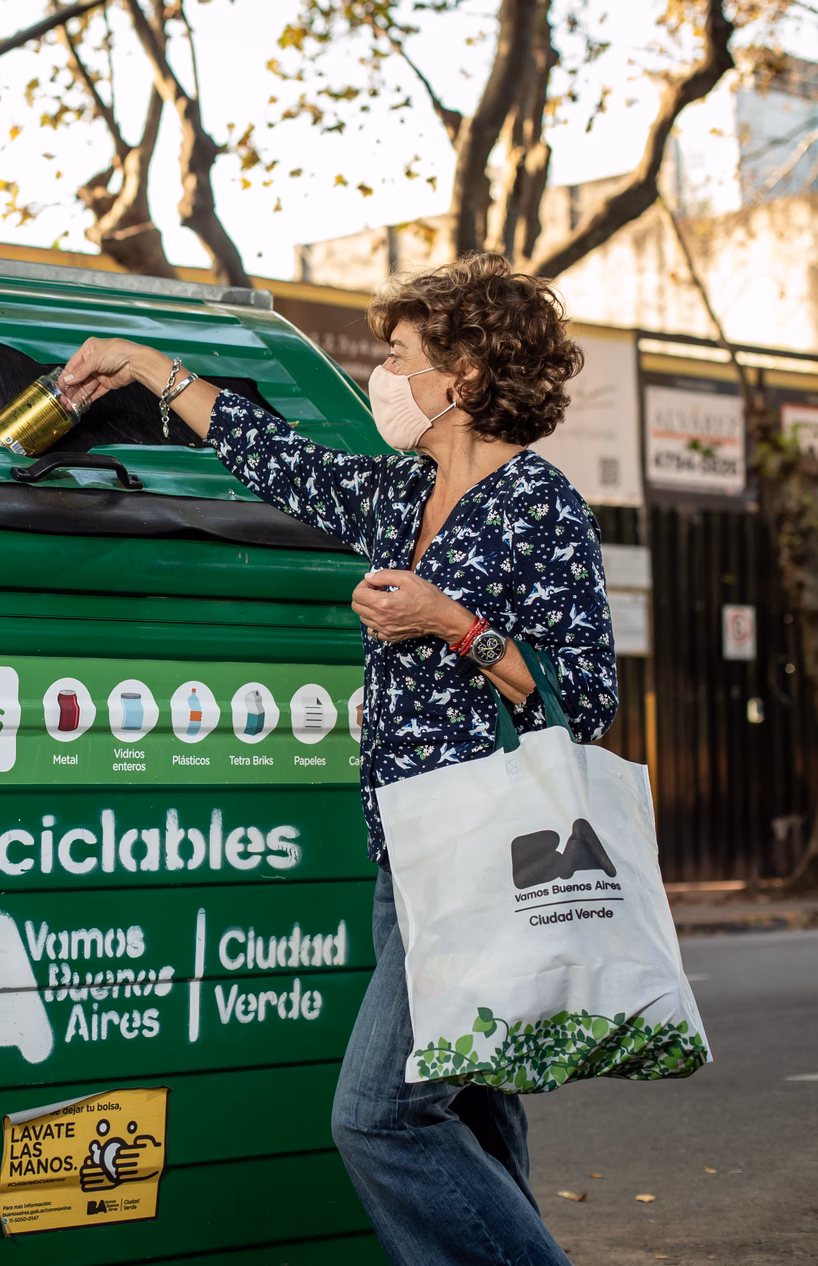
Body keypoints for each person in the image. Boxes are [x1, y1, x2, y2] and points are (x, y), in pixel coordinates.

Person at [60, 252, 617, 1266]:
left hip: (486, 856)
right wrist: (144, 364)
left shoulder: (544, 509)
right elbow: (272, 454)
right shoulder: (400, 495)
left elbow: (587, 695)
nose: (386, 376)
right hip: (403, 850)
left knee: (382, 1117)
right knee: (478, 1117)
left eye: (402, 356)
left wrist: (451, 623)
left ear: (467, 377)